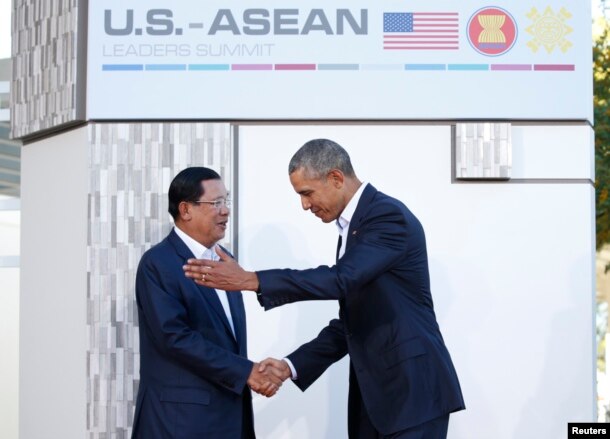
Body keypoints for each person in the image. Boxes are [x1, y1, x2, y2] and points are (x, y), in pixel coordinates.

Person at [184, 140, 465, 438]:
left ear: (335, 178)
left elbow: (340, 279)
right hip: (380, 399)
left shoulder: (386, 217)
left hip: (413, 394)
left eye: (307, 193)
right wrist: (289, 366)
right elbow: (351, 325)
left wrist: (251, 280)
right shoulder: (354, 227)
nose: (305, 205)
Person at [132, 167, 283, 439]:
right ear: (186, 210)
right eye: (215, 203)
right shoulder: (159, 263)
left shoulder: (225, 260)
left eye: (226, 201)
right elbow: (174, 337)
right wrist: (246, 370)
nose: (225, 211)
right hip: (181, 422)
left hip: (230, 417)